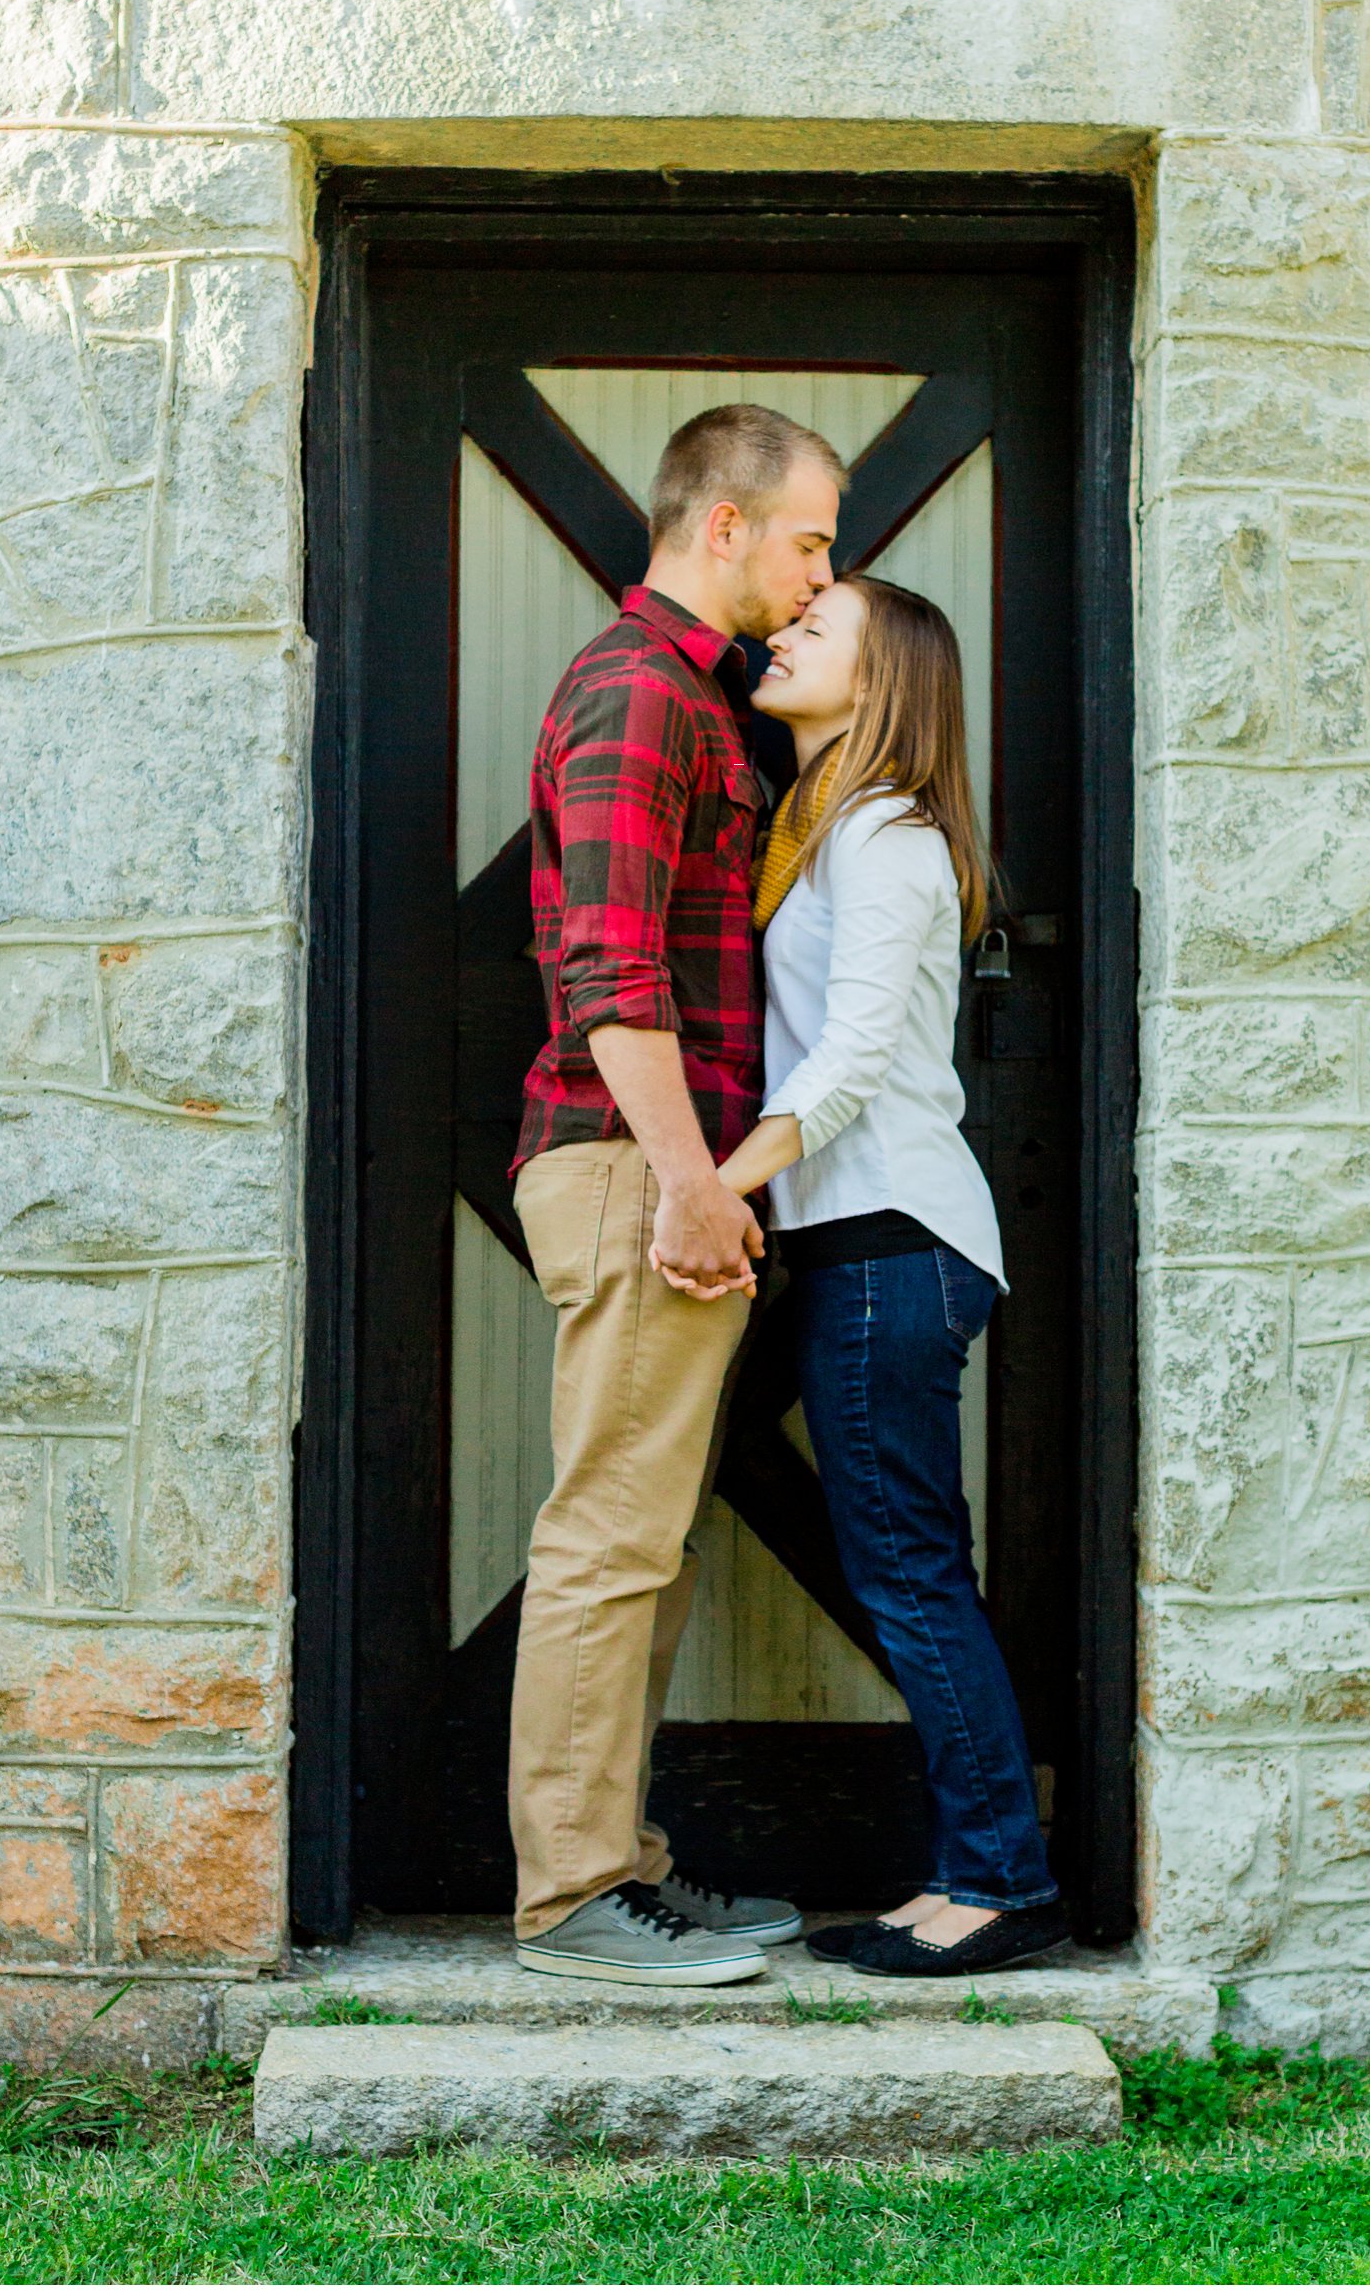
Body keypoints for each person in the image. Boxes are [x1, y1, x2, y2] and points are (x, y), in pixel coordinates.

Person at [679, 575, 1071, 1976]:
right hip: (860, 1241)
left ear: (885, 679)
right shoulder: (829, 826)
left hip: (893, 1237)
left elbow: (845, 1064)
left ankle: (1001, 1881)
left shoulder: (891, 832)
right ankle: (970, 1866)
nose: (780, 634)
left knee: (908, 1570)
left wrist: (712, 1185)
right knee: (905, 1562)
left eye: (817, 625)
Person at [507, 403, 846, 1984]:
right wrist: (691, 1178)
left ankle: (619, 1865)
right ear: (724, 525)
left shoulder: (693, 700)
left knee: (648, 1540)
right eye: (809, 539)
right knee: (608, 1535)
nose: (821, 571)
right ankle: (572, 1895)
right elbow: (610, 972)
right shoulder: (638, 692)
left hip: (661, 1166)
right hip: (633, 1159)